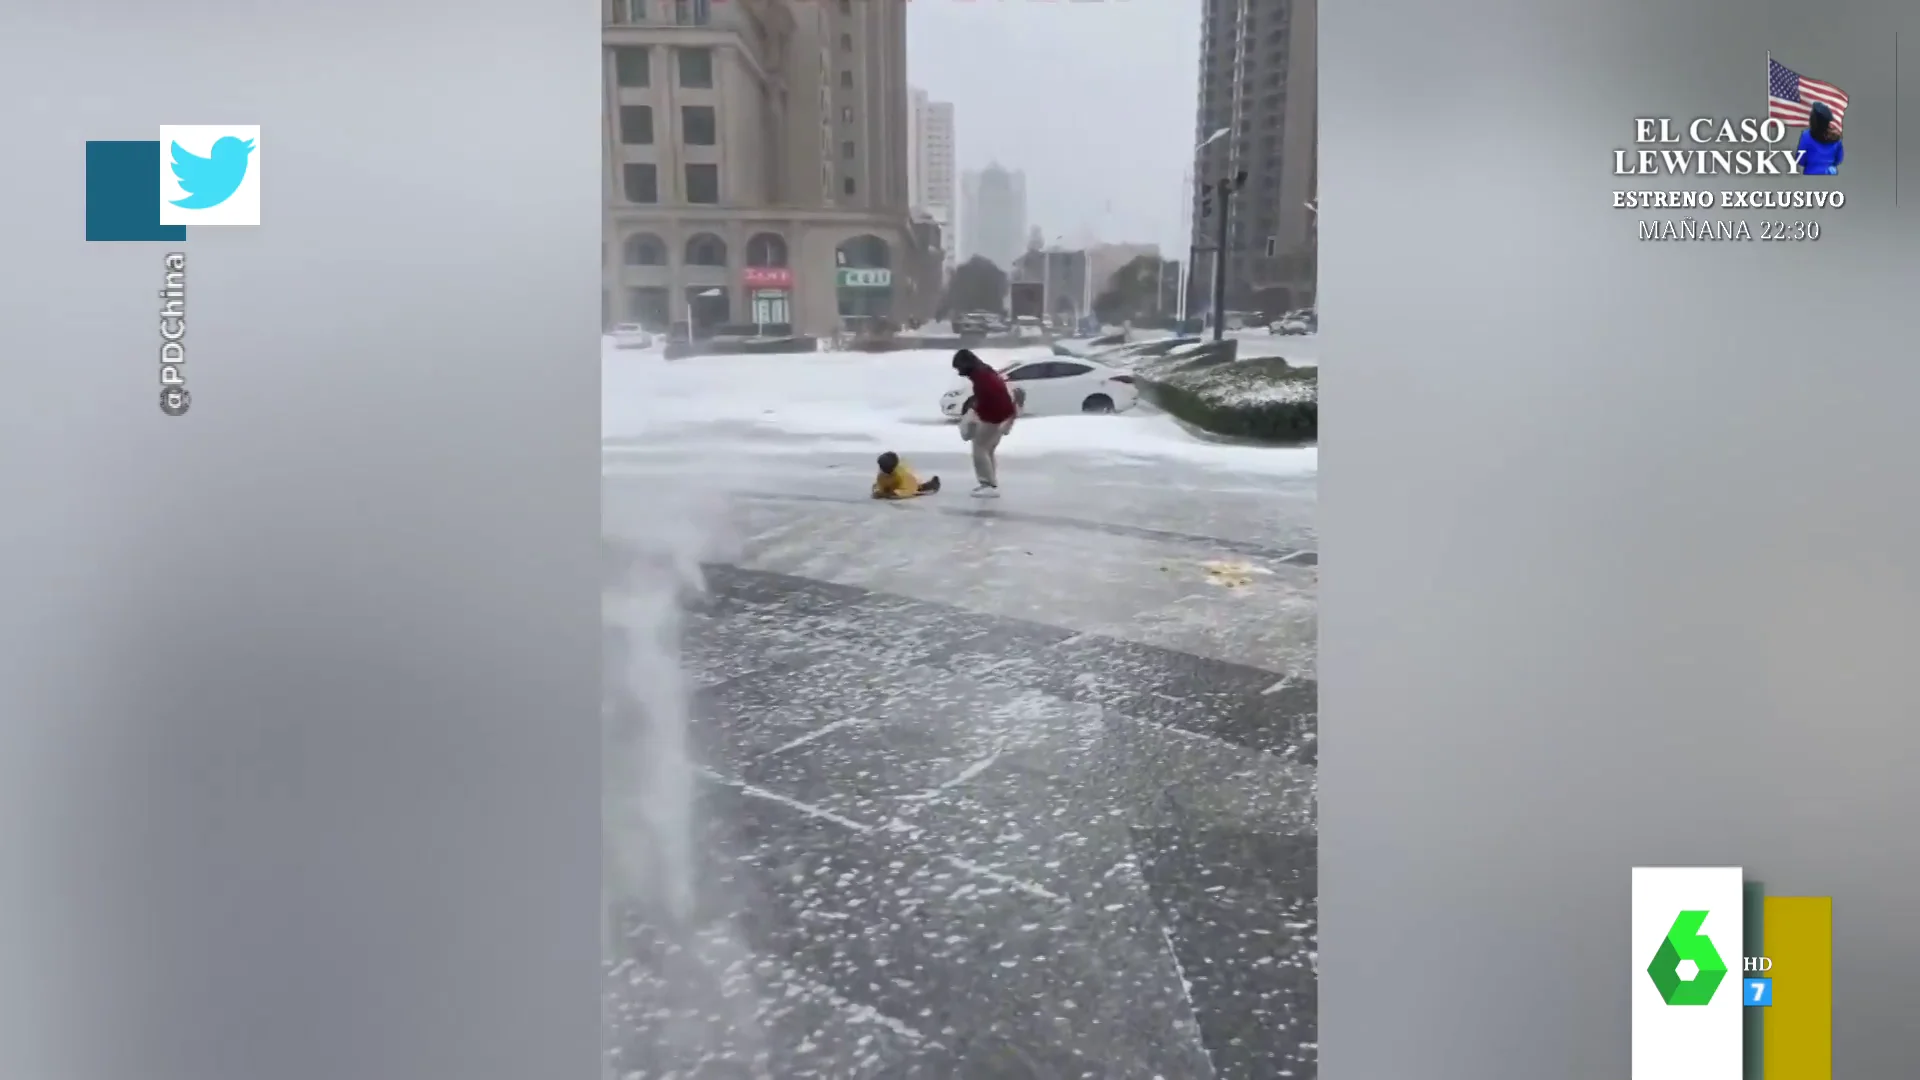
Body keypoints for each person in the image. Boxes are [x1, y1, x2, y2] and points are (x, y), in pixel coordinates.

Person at [952, 348, 1017, 497]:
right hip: (1004, 414)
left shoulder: (982, 378)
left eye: (959, 368)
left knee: (979, 448)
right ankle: (991, 482)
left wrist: (978, 414)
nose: (959, 372)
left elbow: (990, 399)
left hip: (996, 416)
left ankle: (988, 485)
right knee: (987, 450)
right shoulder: (985, 372)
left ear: (965, 364)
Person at [1797, 101, 1843, 176]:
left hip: (1811, 175)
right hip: (1830, 174)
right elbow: (1839, 159)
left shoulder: (1806, 136)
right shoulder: (1836, 138)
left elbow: (1800, 160)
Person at [871, 451, 940, 499]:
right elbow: (880, 490)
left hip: (911, 481)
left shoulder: (903, 473)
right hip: (894, 483)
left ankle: (930, 485)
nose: (882, 469)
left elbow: (909, 490)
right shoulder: (882, 474)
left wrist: (894, 493)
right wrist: (880, 492)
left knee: (918, 487)